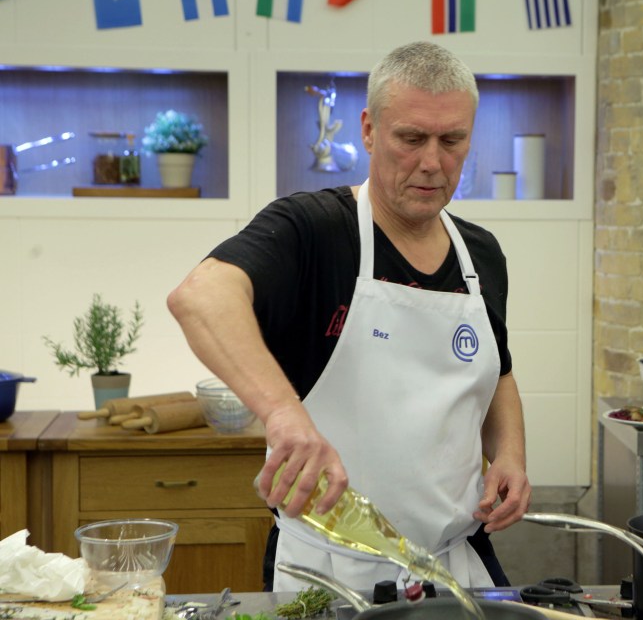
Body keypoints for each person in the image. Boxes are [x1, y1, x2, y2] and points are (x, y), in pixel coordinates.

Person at [167, 41, 532, 592]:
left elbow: (497, 373)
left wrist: (509, 454)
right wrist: (284, 416)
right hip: (328, 571)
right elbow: (200, 295)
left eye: (451, 141)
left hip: (454, 561)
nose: (432, 162)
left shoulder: (480, 255)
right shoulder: (314, 230)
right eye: (410, 139)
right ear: (368, 129)